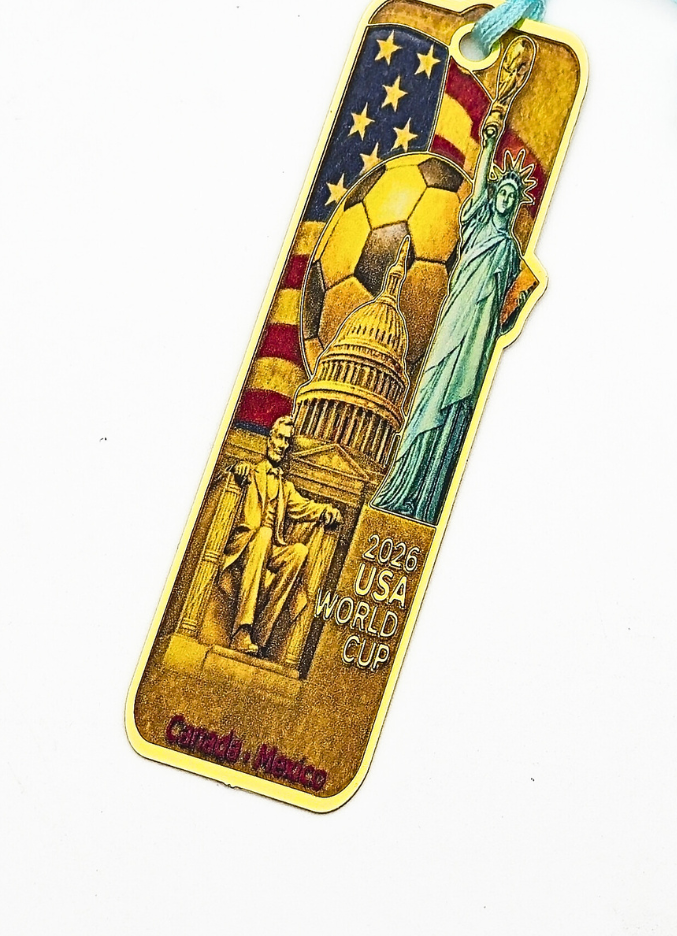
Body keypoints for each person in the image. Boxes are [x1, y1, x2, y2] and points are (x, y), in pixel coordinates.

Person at [370, 131, 533, 525]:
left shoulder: (510, 250)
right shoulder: (476, 227)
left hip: (477, 338)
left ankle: (427, 497)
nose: (505, 200)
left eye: (512, 197)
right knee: (431, 395)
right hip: (454, 323)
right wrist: (489, 145)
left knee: (458, 405)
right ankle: (402, 484)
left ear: (515, 206)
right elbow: (477, 194)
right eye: (502, 192)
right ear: (494, 197)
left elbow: (500, 306)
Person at [220, 416, 341, 655]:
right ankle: (241, 631)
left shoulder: (286, 487)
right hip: (245, 546)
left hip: (270, 549)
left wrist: (327, 510)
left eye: (287, 441)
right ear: (270, 439)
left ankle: (261, 635)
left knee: (299, 552)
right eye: (280, 438)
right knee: (264, 533)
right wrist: (236, 468)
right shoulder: (252, 471)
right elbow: (228, 472)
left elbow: (305, 507)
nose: (282, 445)